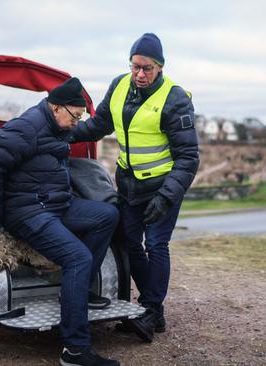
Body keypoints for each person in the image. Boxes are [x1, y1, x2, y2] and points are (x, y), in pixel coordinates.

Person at [0, 77, 120, 366]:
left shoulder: (59, 128)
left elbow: (91, 129)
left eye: (80, 117)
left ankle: (77, 292)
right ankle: (75, 350)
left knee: (108, 215)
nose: (77, 123)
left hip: (56, 205)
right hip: (28, 212)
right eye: (75, 116)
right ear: (56, 108)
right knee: (78, 258)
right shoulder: (26, 128)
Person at [71, 33, 199, 342]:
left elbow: (188, 157)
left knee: (156, 245)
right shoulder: (119, 86)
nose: (140, 74)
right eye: (135, 67)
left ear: (160, 67)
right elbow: (99, 124)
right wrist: (62, 134)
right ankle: (152, 310)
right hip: (128, 182)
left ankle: (151, 309)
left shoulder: (175, 98)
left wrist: (168, 197)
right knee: (130, 243)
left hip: (161, 186)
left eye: (147, 69)